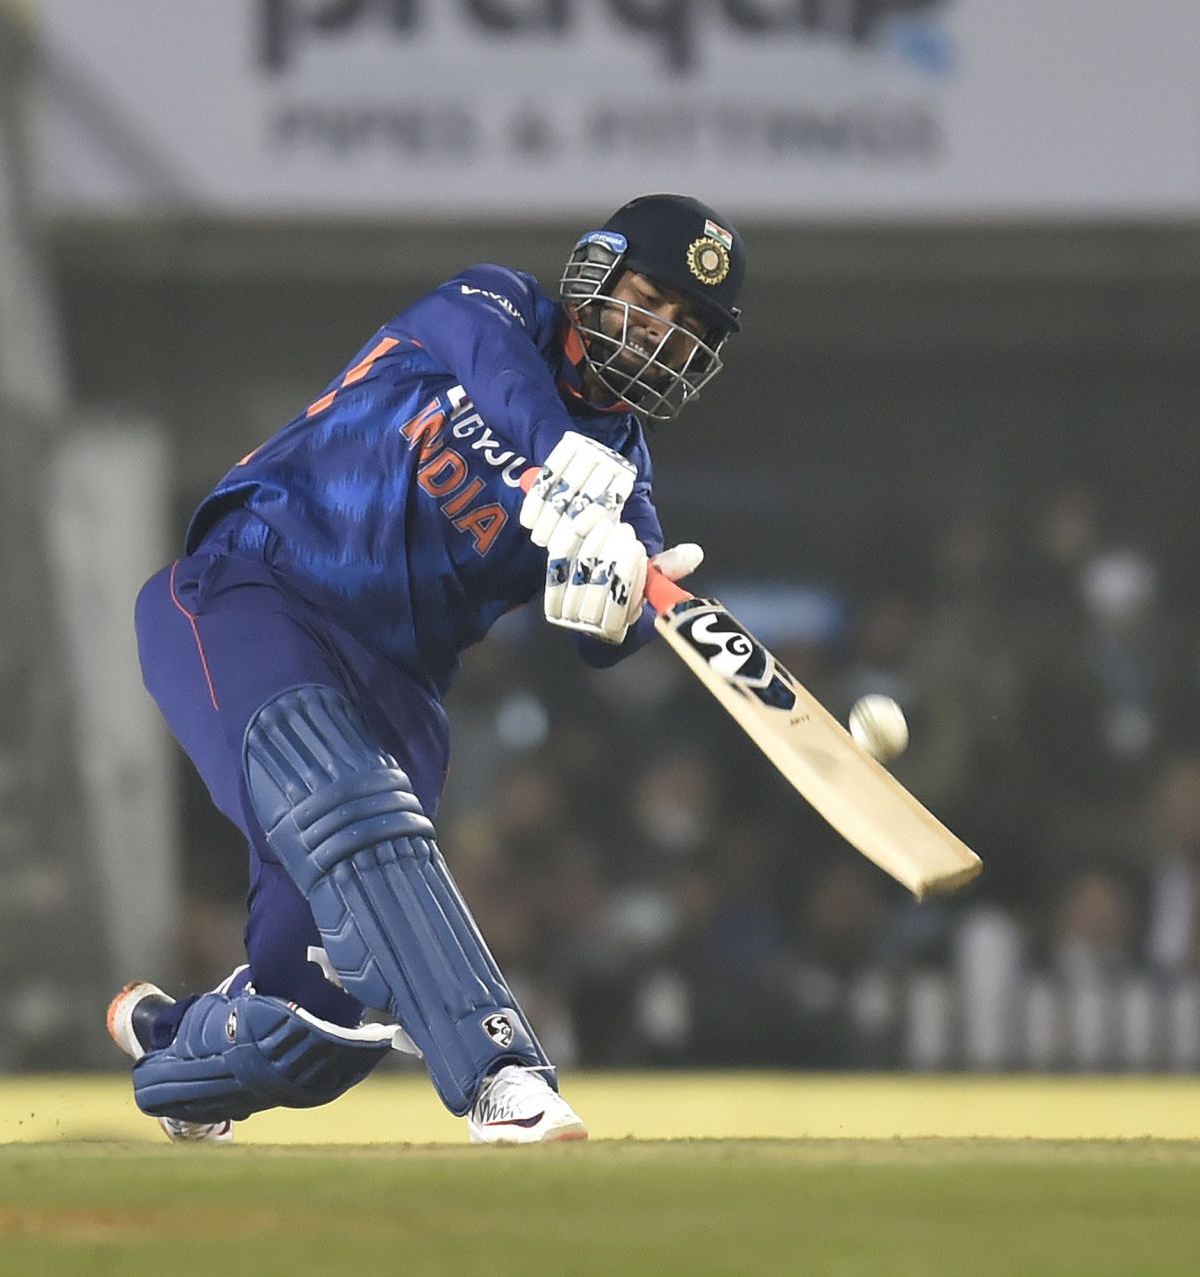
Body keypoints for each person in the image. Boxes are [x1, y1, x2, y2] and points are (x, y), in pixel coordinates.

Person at [108, 195, 742, 1143]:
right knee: (345, 794)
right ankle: (503, 1072)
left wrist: (624, 602)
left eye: (689, 328)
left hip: (394, 691)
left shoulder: (629, 496)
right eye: (651, 301)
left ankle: (168, 1039)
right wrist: (559, 471)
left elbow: (597, 645)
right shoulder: (495, 306)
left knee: (322, 1028)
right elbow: (494, 372)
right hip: (254, 586)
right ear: (594, 275)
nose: (661, 336)